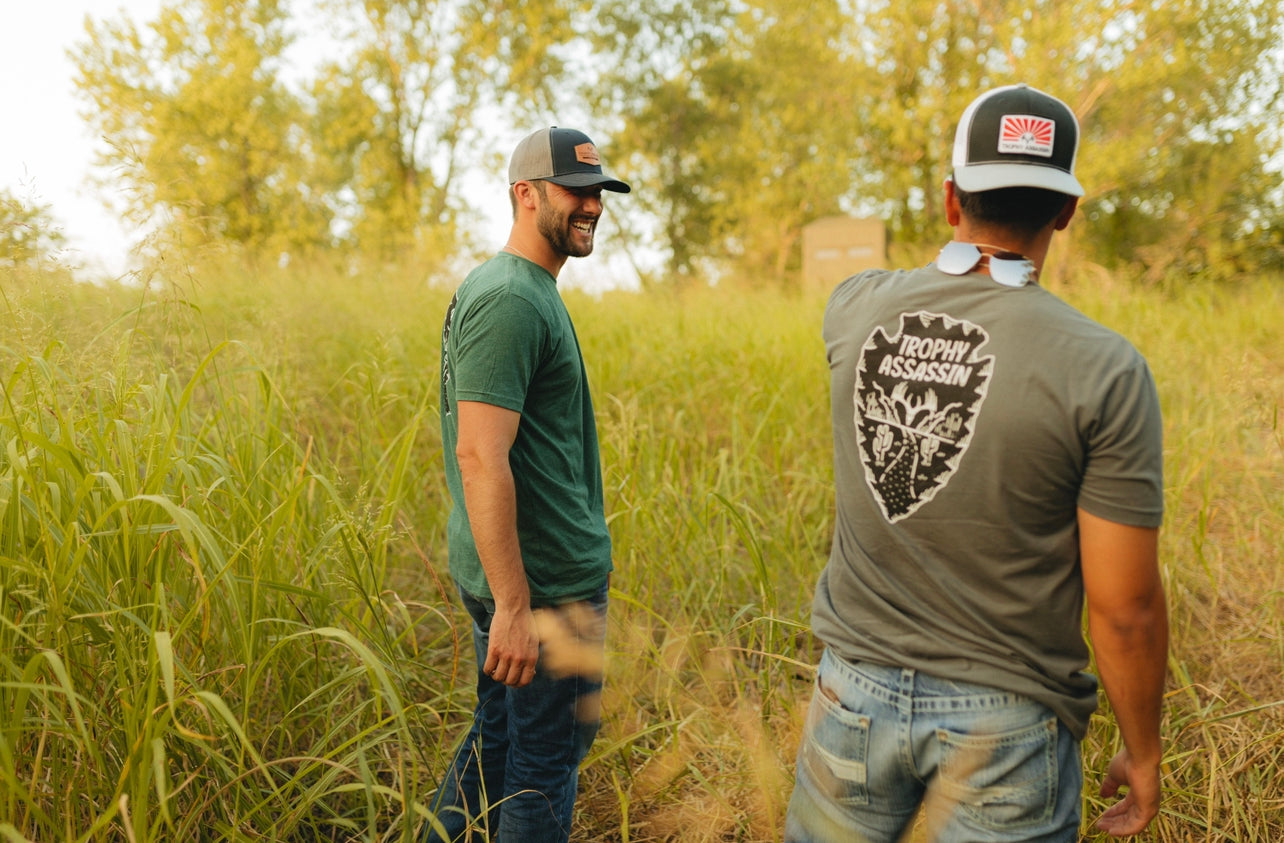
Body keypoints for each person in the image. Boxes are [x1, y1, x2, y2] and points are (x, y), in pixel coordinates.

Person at [785, 84, 1169, 842]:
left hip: (849, 698)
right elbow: (1124, 608)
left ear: (951, 198)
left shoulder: (854, 306)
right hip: (1008, 723)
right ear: (1065, 210)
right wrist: (1144, 749)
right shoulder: (1106, 369)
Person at [425, 127, 630, 842]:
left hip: (525, 575)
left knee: (499, 744)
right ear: (526, 193)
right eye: (576, 191)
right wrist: (514, 605)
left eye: (598, 193)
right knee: (544, 764)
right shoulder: (511, 296)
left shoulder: (516, 288)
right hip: (541, 588)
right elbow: (481, 457)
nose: (592, 206)